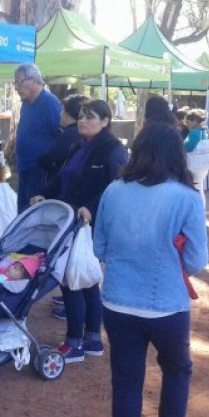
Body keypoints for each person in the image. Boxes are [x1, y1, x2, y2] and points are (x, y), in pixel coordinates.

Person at [94, 123, 208, 417]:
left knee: (126, 383)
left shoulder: (113, 190)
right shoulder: (186, 197)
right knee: (176, 372)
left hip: (117, 302)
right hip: (167, 307)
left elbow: (99, 247)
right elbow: (197, 261)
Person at [30, 99, 128, 363]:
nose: (83, 120)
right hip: (67, 219)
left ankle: (76, 343)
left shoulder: (113, 150)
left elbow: (117, 187)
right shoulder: (77, 147)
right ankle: (92, 339)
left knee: (73, 280)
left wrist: (91, 209)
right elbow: (63, 180)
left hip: (89, 225)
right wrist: (43, 195)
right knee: (85, 281)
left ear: (106, 121)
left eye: (91, 116)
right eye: (82, 116)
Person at [13, 64, 61, 212]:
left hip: (39, 171)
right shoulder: (26, 104)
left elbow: (61, 136)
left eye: (19, 82)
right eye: (15, 83)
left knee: (34, 216)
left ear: (34, 79)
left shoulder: (49, 103)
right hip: (24, 168)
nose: (16, 87)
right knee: (22, 215)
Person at [38, 94, 87, 184]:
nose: (60, 114)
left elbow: (49, 158)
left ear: (68, 114)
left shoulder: (70, 134)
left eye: (62, 110)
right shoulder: (78, 132)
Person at [184, 109, 209, 209]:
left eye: (187, 122)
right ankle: (200, 210)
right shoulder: (201, 132)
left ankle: (198, 210)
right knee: (199, 188)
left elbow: (189, 147)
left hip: (195, 167)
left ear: (194, 121)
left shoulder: (194, 133)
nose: (186, 124)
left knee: (196, 189)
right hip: (202, 165)